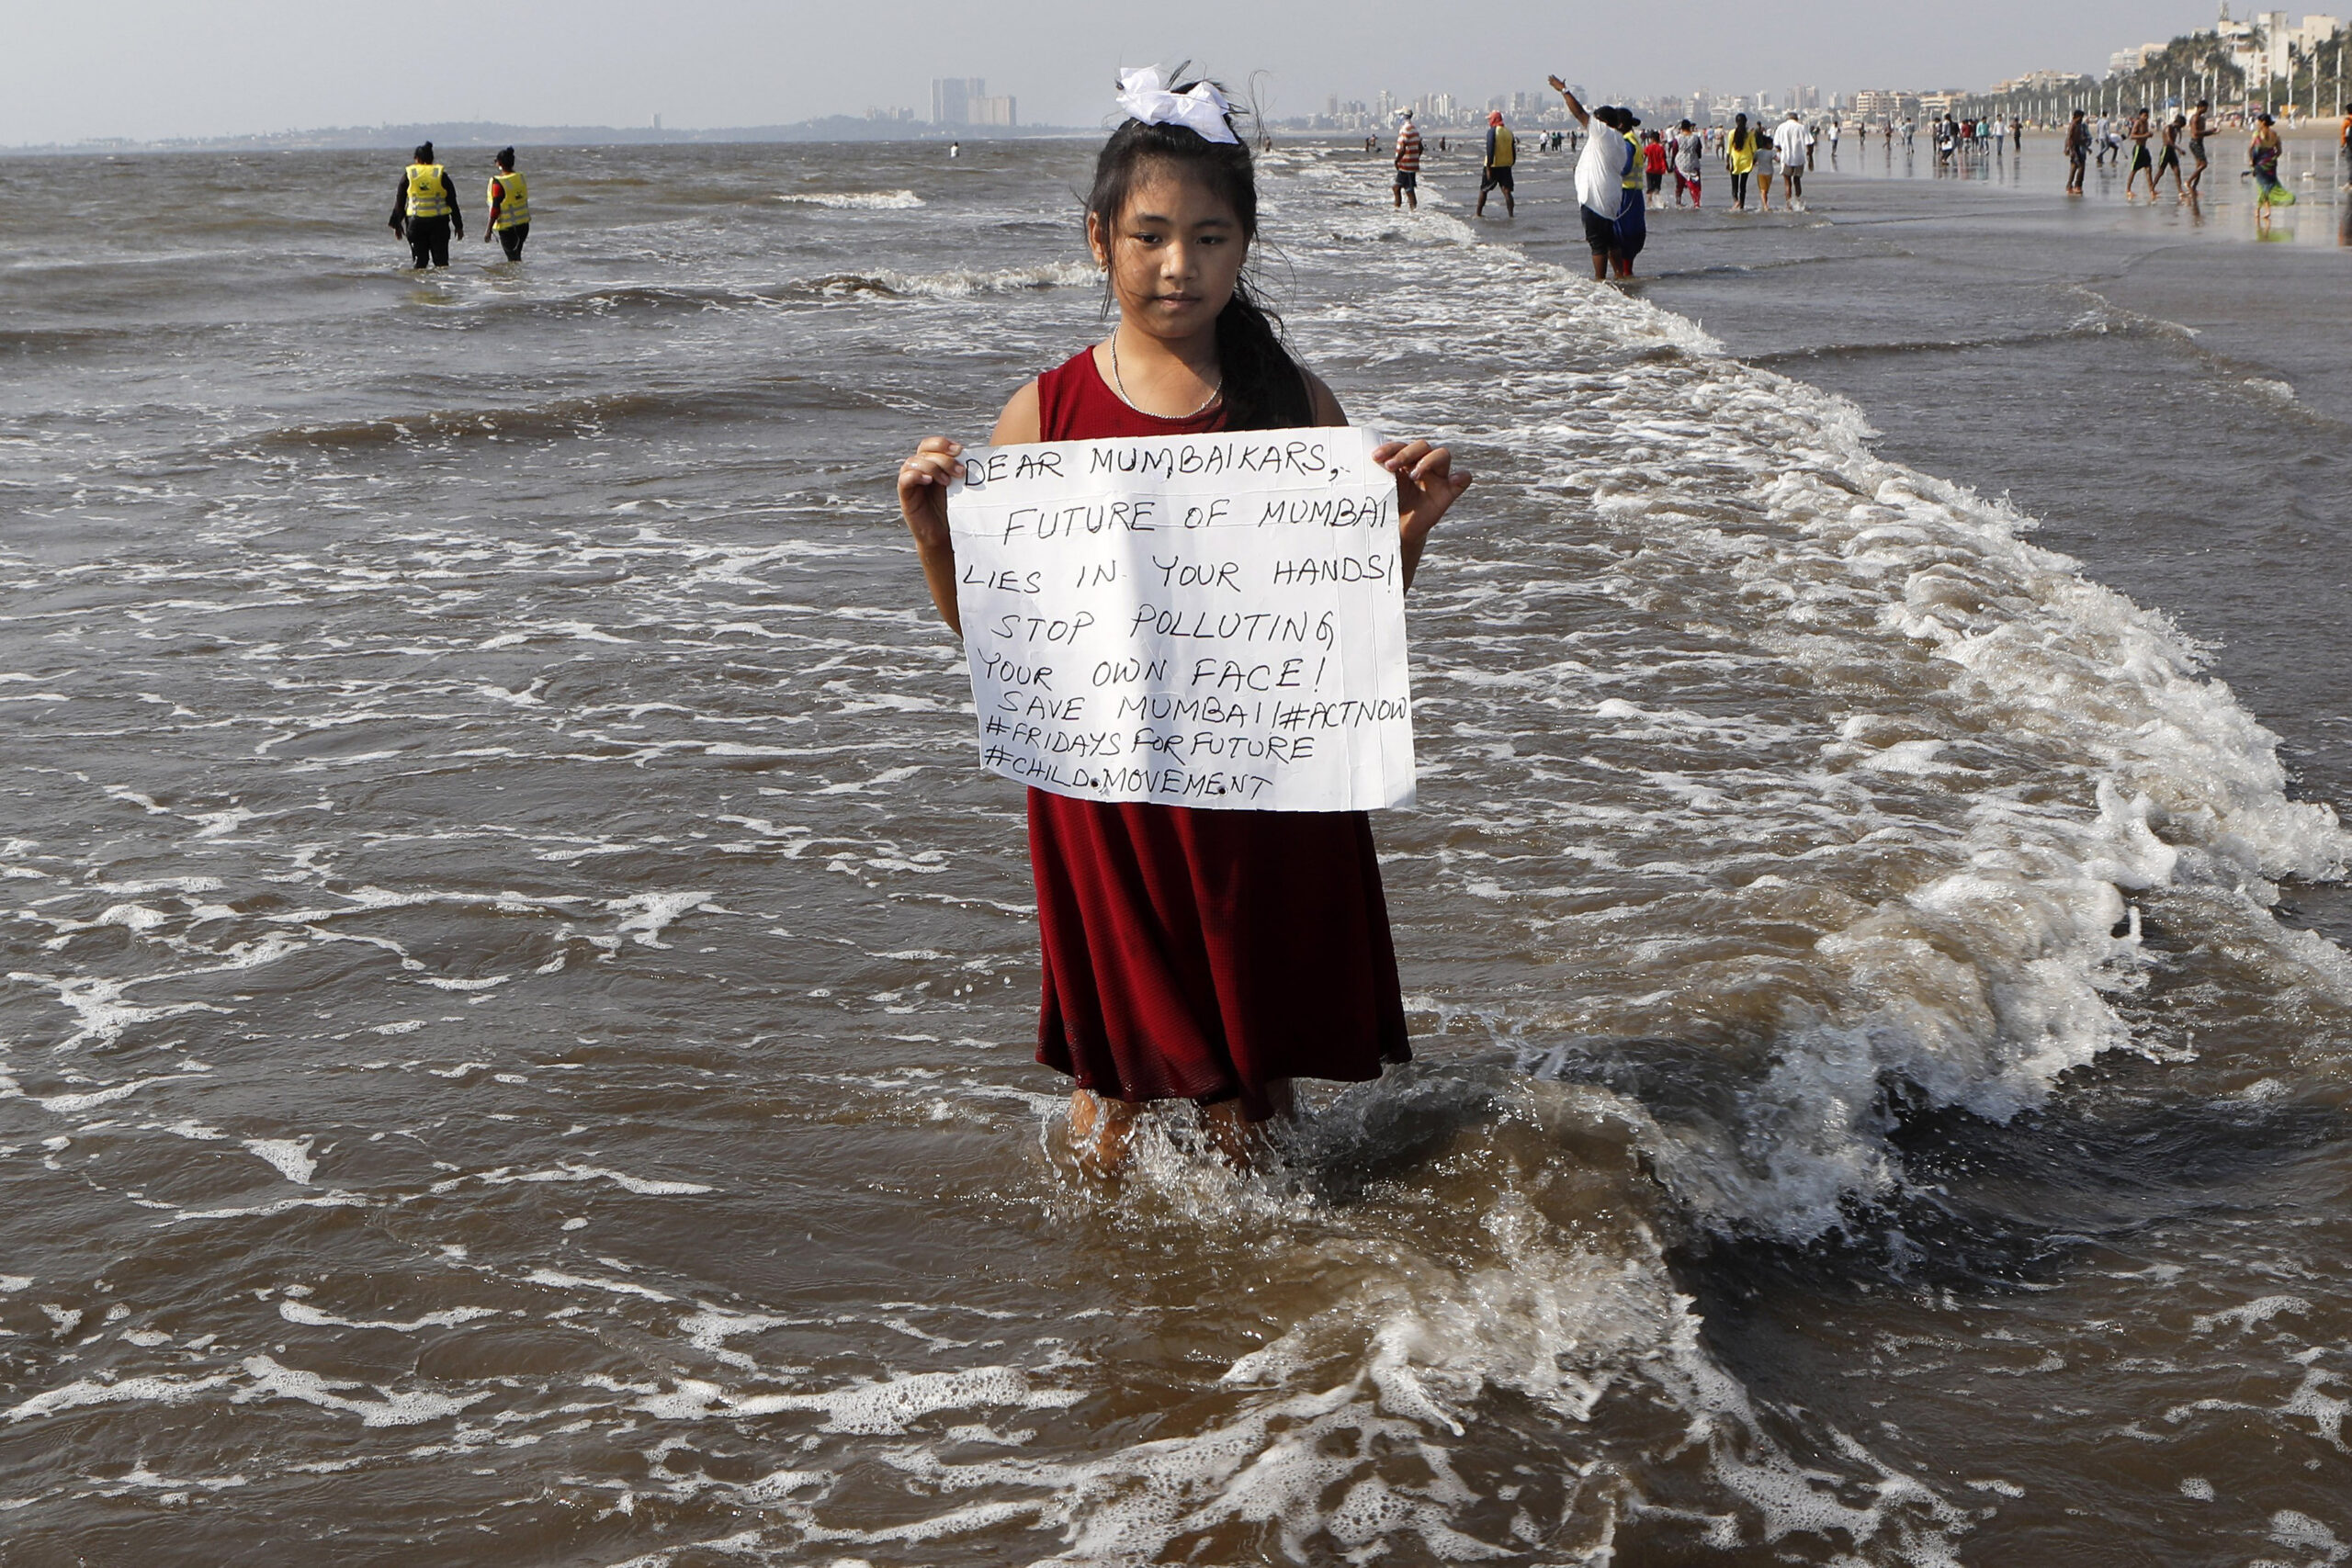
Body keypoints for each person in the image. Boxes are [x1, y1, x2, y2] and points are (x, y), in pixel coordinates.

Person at [895, 71, 1470, 1171]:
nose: (1177, 265)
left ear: (1244, 244)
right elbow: (1005, 649)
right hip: (1106, 803)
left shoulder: (1297, 408)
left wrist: (1413, 527)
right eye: (1150, 235)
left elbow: (1334, 632)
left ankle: (1277, 1310)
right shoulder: (1045, 412)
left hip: (1256, 793)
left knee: (1252, 1108)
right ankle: (1115, 1308)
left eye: (1208, 237)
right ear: (1098, 239)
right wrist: (933, 536)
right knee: (1108, 1107)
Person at [1548, 74, 1645, 277]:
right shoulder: (1617, 140)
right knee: (1610, 240)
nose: (1593, 122)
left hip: (1596, 199)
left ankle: (1600, 282)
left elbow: (1580, 114)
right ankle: (1620, 275)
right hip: (1608, 198)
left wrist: (1563, 90)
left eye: (1597, 119)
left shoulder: (1604, 134)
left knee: (1597, 243)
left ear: (1604, 123)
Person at [389, 141, 463, 268]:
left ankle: (420, 286)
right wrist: (458, 225)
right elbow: (452, 201)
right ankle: (443, 286)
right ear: (432, 159)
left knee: (419, 262)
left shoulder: (410, 175)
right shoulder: (440, 175)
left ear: (416, 159)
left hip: (415, 223)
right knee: (441, 263)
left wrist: (396, 224)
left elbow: (400, 202)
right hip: (439, 224)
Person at [482, 148, 531, 261]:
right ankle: (518, 276)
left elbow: (495, 208)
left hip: (509, 228)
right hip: (523, 225)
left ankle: (514, 278)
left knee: (513, 259)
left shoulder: (499, 183)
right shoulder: (520, 177)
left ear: (500, 163)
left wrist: (488, 229)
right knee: (517, 256)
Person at [2250, 113, 2295, 230]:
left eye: (2258, 121)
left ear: (2263, 122)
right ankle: (2267, 210)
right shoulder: (2275, 134)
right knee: (2269, 186)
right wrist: (2272, 158)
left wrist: (2251, 160)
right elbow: (2279, 151)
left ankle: (2258, 210)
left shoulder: (2257, 134)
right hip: (2271, 163)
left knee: (2262, 187)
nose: (2257, 123)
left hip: (2261, 163)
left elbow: (2252, 148)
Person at [1477, 109, 1516, 218]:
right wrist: (1512, 162)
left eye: (1490, 119)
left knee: (1484, 189)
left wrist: (1489, 167)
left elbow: (1490, 148)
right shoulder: (1509, 132)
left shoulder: (1492, 132)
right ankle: (1511, 215)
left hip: (1493, 165)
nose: (1489, 121)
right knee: (1507, 191)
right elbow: (1513, 148)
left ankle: (1478, 214)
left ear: (1494, 119)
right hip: (1505, 165)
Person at [1773, 109, 1809, 209]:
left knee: (1787, 182)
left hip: (1786, 158)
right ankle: (1797, 202)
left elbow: (1776, 144)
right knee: (1797, 180)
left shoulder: (1781, 127)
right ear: (1796, 119)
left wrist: (1782, 152)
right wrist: (1810, 156)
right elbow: (1809, 143)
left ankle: (1789, 205)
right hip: (1799, 158)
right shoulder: (1801, 127)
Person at [1725, 112, 1758, 210]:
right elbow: (1755, 150)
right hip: (1746, 162)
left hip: (1735, 162)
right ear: (1746, 122)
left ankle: (1736, 201)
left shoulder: (1731, 133)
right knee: (1743, 187)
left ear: (1736, 122)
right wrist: (1754, 161)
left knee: (1734, 185)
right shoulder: (1750, 134)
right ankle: (1742, 207)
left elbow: (1728, 149)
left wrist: (1727, 162)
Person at [2123, 107, 2155, 199]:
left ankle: (2151, 190)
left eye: (2147, 116)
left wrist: (2149, 135)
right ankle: (2128, 190)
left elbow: (2145, 134)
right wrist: (2145, 135)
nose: (2146, 117)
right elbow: (2132, 136)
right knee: (2134, 170)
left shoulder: (2146, 123)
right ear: (2140, 115)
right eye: (2145, 116)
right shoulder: (2138, 123)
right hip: (2138, 148)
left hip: (2144, 149)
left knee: (2149, 169)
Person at [1393, 109, 1422, 209]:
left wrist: (1397, 160)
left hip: (1405, 164)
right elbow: (1420, 147)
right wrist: (1415, 159)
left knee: (1397, 188)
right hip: (1411, 164)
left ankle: (1398, 209)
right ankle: (1412, 210)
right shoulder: (1414, 129)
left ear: (1404, 117)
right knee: (1408, 189)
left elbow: (1403, 147)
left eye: (1399, 116)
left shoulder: (1405, 129)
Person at [2153, 114, 2186, 200]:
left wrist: (2179, 134)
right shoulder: (2169, 128)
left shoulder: (2176, 128)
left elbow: (2178, 136)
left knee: (2177, 170)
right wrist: (2179, 149)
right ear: (2178, 122)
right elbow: (2170, 141)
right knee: (2161, 171)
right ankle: (2152, 188)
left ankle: (2180, 191)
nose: (2181, 128)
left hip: (2172, 151)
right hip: (2166, 150)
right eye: (2181, 125)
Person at [1673, 119, 1703, 206]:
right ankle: (1696, 203)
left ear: (1681, 128)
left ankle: (1678, 202)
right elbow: (1699, 151)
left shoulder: (1677, 138)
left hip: (1680, 164)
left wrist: (1672, 164)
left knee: (1679, 185)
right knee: (1695, 185)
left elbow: (1674, 151)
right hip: (1693, 163)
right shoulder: (1695, 137)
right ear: (1690, 127)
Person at [2188, 99, 2213, 194]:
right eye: (2205, 108)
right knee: (2204, 164)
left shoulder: (2202, 118)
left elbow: (2202, 134)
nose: (2206, 110)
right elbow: (2195, 133)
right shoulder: (2195, 118)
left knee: (2199, 166)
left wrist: (2212, 132)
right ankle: (2189, 182)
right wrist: (2210, 131)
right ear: (2200, 107)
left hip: (2200, 143)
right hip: (2194, 143)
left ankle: (2194, 188)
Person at [2064, 107, 2090, 195]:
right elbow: (2069, 137)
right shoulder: (2073, 125)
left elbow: (2078, 139)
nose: (2081, 120)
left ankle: (2070, 186)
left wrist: (2087, 148)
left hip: (2077, 147)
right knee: (2080, 166)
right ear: (2077, 117)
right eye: (2081, 118)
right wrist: (2068, 149)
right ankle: (2077, 186)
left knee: (2074, 167)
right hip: (2073, 149)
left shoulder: (2078, 125)